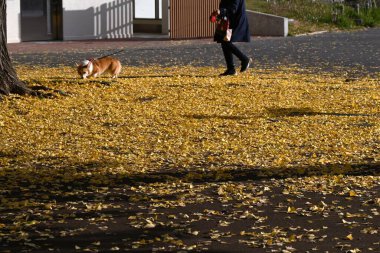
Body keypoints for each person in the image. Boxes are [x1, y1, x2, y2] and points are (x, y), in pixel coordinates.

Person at [215, 0, 252, 76]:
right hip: (229, 21)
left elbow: (233, 9)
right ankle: (231, 69)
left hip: (236, 21)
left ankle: (244, 59)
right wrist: (218, 15)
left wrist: (221, 11)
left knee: (226, 42)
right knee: (224, 41)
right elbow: (224, 6)